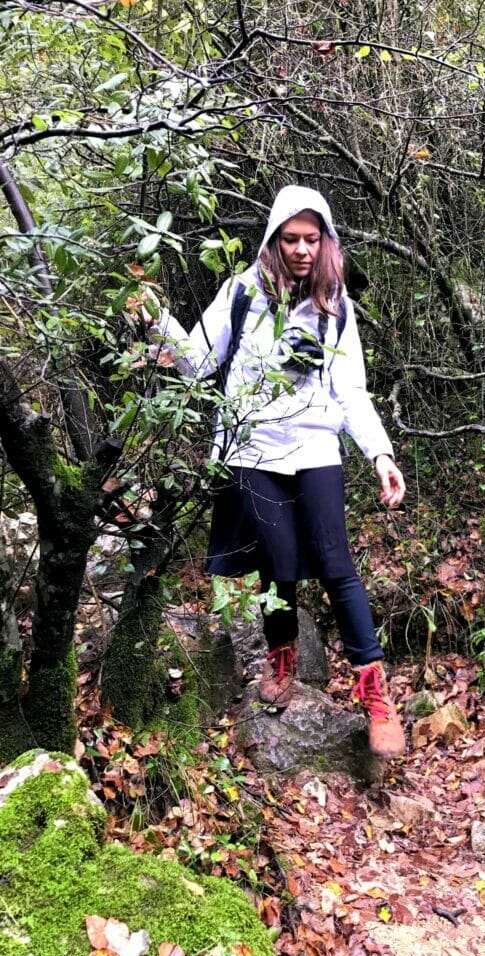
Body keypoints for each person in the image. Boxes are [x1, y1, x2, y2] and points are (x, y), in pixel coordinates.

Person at [136, 186, 407, 759]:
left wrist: (380, 454)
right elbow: (200, 362)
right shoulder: (241, 294)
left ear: (327, 241)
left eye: (313, 239)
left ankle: (377, 697)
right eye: (292, 239)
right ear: (273, 239)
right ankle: (282, 659)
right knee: (277, 565)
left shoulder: (336, 306)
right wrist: (156, 319)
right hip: (252, 449)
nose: (303, 250)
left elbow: (351, 391)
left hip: (314, 448)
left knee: (336, 564)